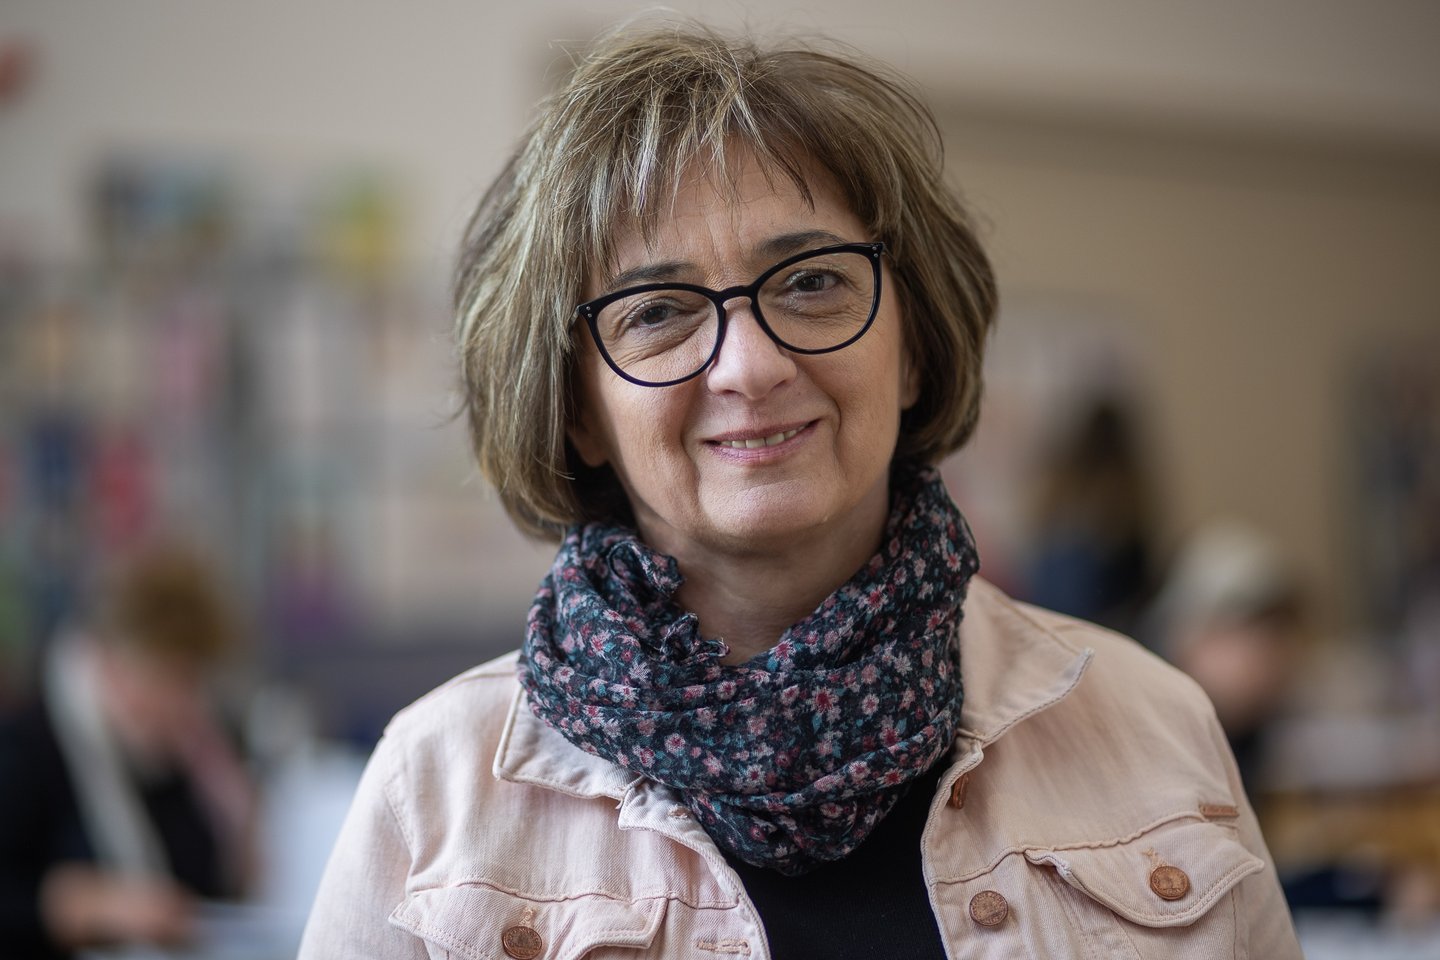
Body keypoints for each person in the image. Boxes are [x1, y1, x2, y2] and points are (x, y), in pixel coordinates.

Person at [300, 23, 1301, 959]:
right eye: (657, 310)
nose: (750, 364)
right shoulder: (435, 792)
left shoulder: (1149, 723)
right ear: (578, 411)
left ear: (913, 347)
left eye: (813, 282)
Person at [0, 544, 255, 958]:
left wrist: (233, 820)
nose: (182, 702)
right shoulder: (28, 748)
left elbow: (202, 893)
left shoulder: (177, 761)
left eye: (192, 682)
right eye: (169, 678)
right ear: (113, 661)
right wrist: (82, 907)